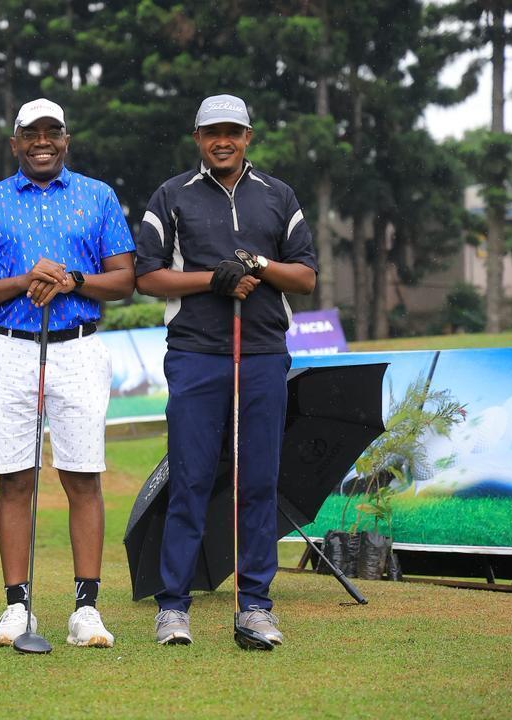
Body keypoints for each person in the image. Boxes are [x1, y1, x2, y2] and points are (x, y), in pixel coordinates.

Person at [134, 94, 318, 647]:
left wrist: (257, 265)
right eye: (212, 132)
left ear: (248, 136)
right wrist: (213, 278)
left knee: (258, 481)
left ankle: (256, 605)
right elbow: (147, 275)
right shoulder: (171, 195)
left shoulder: (278, 196)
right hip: (195, 354)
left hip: (262, 353)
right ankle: (174, 606)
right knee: (189, 479)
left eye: (232, 132)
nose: (222, 140)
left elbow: (305, 277)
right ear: (197, 138)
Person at [0, 98, 135, 648]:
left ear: (66, 138)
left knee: (83, 476)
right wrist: (25, 279)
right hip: (11, 346)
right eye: (30, 134)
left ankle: (86, 608)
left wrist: (73, 281)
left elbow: (125, 279)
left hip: (78, 348)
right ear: (15, 143)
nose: (41, 141)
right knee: (16, 477)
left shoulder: (98, 195)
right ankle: (18, 608)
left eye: (51, 132)